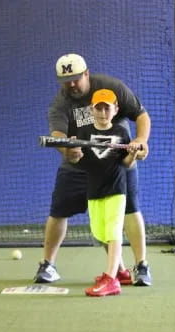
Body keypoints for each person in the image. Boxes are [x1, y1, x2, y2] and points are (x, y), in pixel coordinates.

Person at [34, 53, 152, 286]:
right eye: (66, 80)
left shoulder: (111, 87)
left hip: (116, 160)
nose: (72, 84)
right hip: (81, 162)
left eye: (76, 79)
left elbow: (141, 115)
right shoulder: (61, 102)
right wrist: (67, 150)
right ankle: (48, 265)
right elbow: (57, 134)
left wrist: (141, 140)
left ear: (86, 74)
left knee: (130, 209)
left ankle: (141, 266)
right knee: (59, 209)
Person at [69, 89, 140, 296]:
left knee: (113, 231)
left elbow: (125, 163)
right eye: (98, 108)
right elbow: (76, 161)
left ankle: (111, 280)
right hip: (94, 190)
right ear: (92, 110)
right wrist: (73, 154)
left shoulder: (121, 132)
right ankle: (122, 273)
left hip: (116, 190)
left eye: (106, 108)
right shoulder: (83, 133)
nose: (102, 112)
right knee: (100, 234)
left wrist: (133, 154)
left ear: (115, 109)